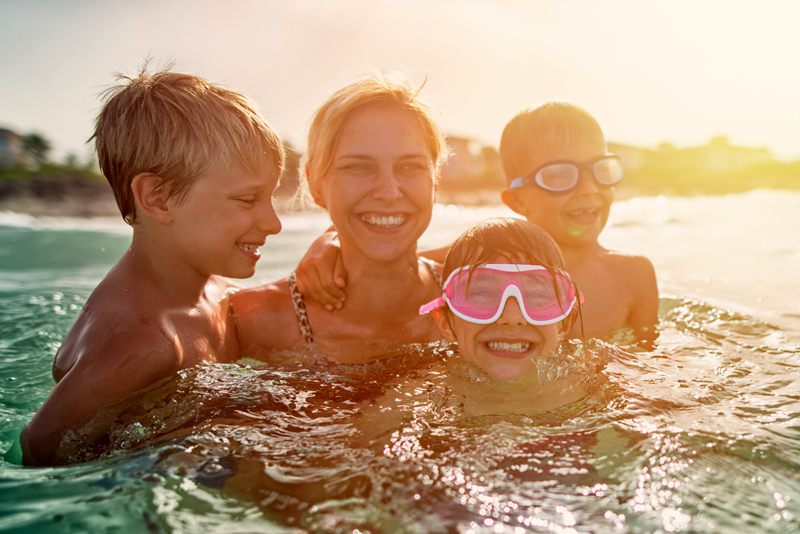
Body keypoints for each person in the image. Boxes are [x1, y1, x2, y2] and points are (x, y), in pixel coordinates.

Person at [20, 66, 284, 466]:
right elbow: (39, 447)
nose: (273, 223)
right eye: (248, 200)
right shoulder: (144, 342)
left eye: (272, 198)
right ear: (158, 199)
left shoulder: (206, 282)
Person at [295, 101, 658, 346]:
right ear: (516, 200)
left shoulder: (633, 275)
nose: (588, 189)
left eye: (602, 170)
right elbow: (391, 252)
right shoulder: (476, 263)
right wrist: (332, 242)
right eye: (560, 176)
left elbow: (650, 367)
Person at [230, 72, 448, 364]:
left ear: (435, 182)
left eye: (410, 166)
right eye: (358, 167)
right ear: (316, 183)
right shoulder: (253, 321)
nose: (388, 191)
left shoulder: (482, 306)